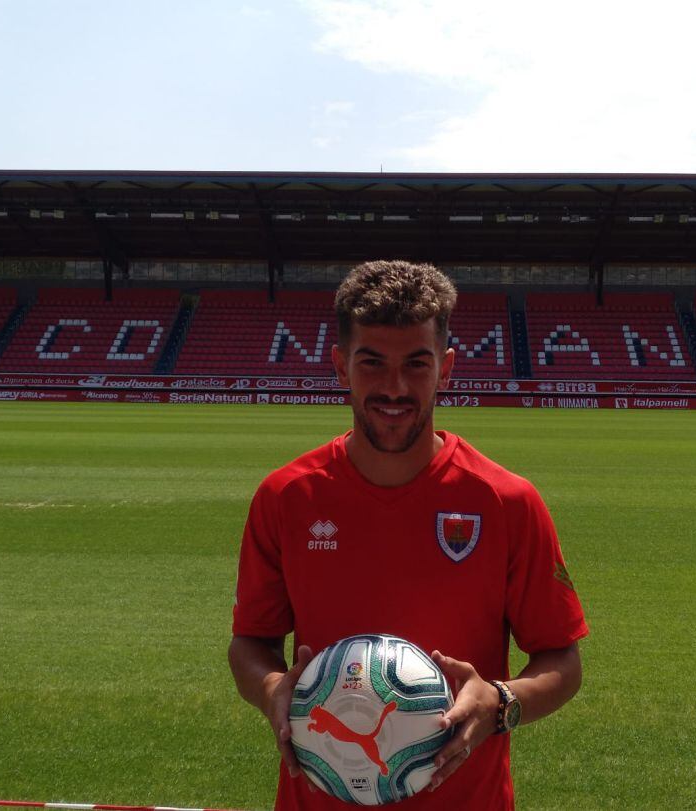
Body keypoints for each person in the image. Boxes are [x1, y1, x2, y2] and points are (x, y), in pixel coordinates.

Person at [228, 260, 588, 810]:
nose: (394, 387)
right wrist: (272, 688)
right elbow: (250, 643)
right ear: (340, 365)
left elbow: (561, 662)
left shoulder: (508, 501)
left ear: (445, 369)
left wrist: (501, 701)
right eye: (372, 363)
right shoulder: (286, 497)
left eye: (415, 365)